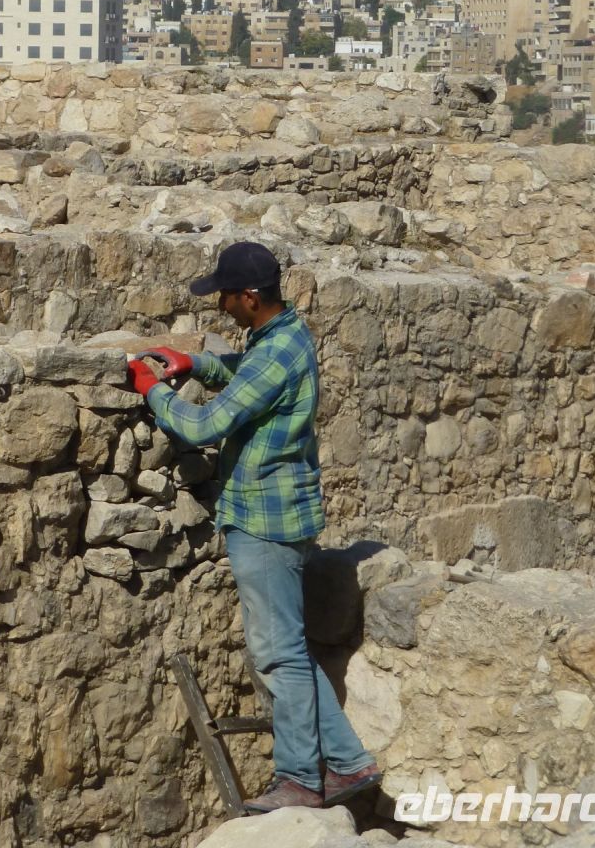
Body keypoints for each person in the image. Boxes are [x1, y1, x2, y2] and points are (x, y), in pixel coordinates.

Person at [126, 240, 381, 814]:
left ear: (249, 296)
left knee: (278, 657)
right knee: (289, 649)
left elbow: (207, 424)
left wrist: (155, 391)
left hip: (264, 522)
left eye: (225, 297)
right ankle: (348, 763)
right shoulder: (285, 335)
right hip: (282, 515)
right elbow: (248, 377)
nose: (220, 307)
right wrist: (197, 363)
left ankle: (297, 779)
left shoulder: (274, 352)